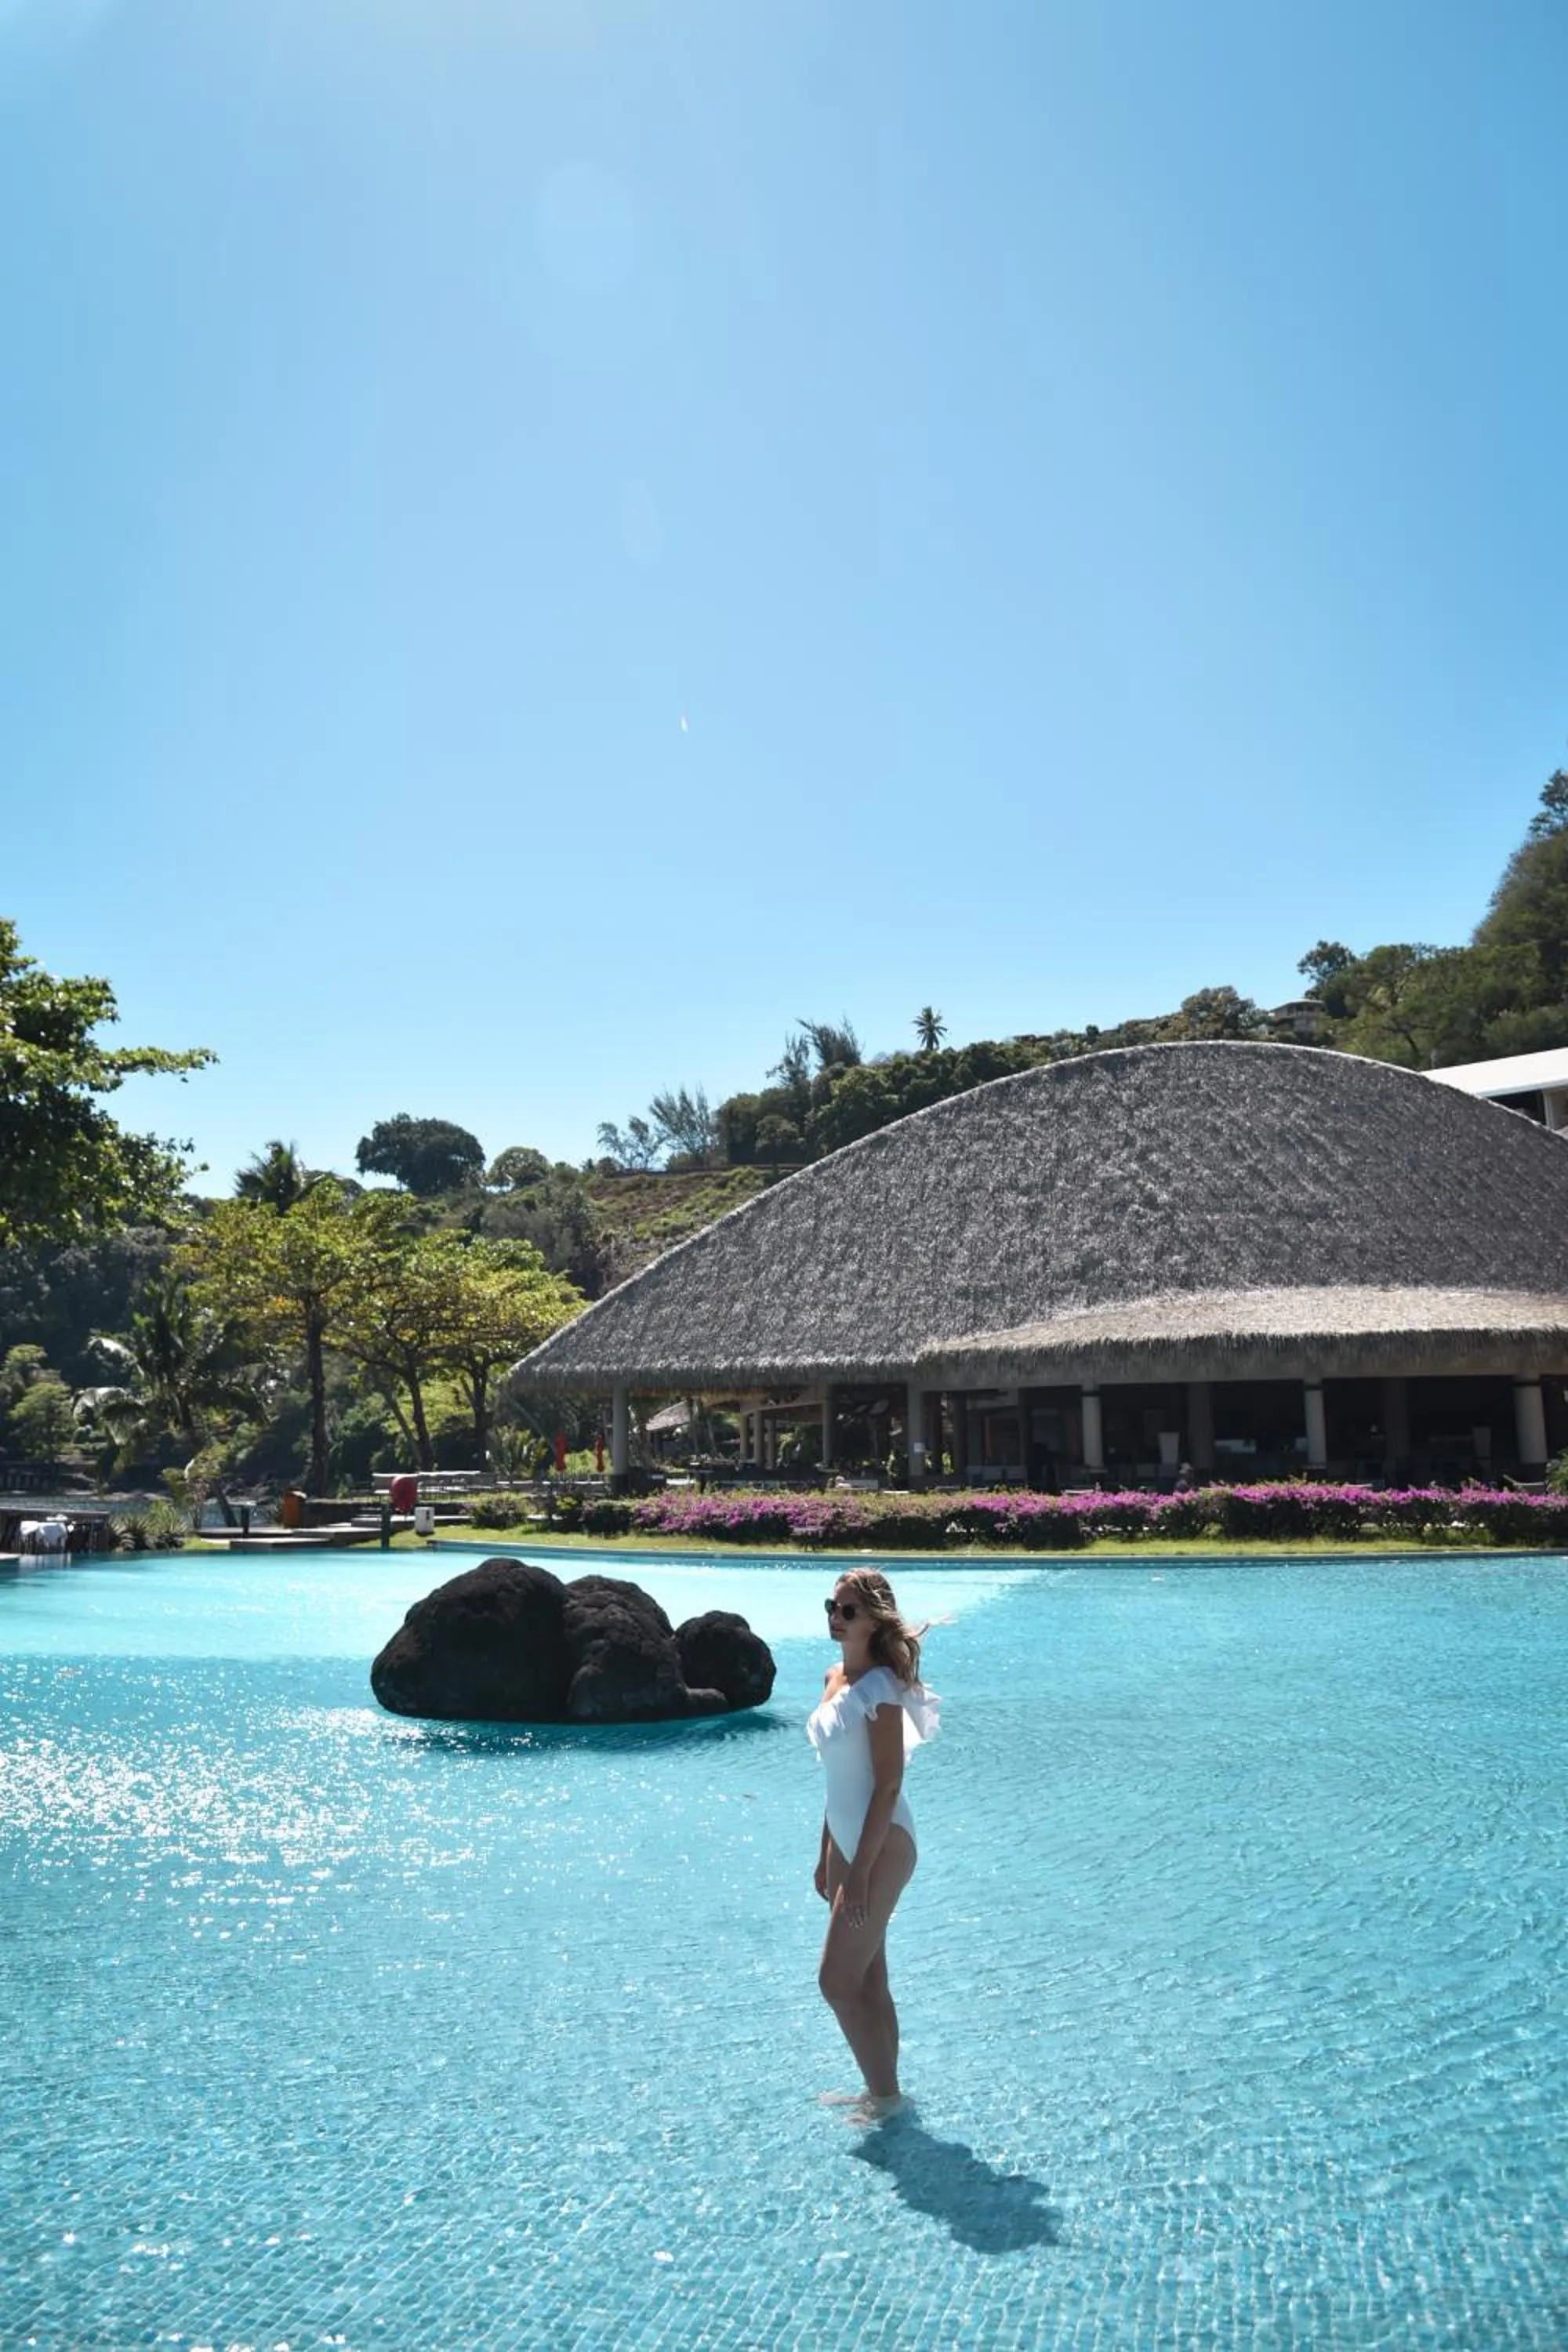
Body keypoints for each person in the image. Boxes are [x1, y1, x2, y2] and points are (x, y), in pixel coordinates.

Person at [806, 1568, 939, 2118]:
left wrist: (860, 1871)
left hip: (881, 1843)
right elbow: (837, 1777)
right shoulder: (834, 1677)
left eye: (849, 1611)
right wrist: (826, 1852)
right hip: (845, 1838)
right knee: (869, 1977)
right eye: (832, 1607)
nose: (836, 1619)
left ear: (874, 1621)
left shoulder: (881, 1691)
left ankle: (886, 2099)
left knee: (837, 1981)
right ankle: (882, 2089)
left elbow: (886, 1786)